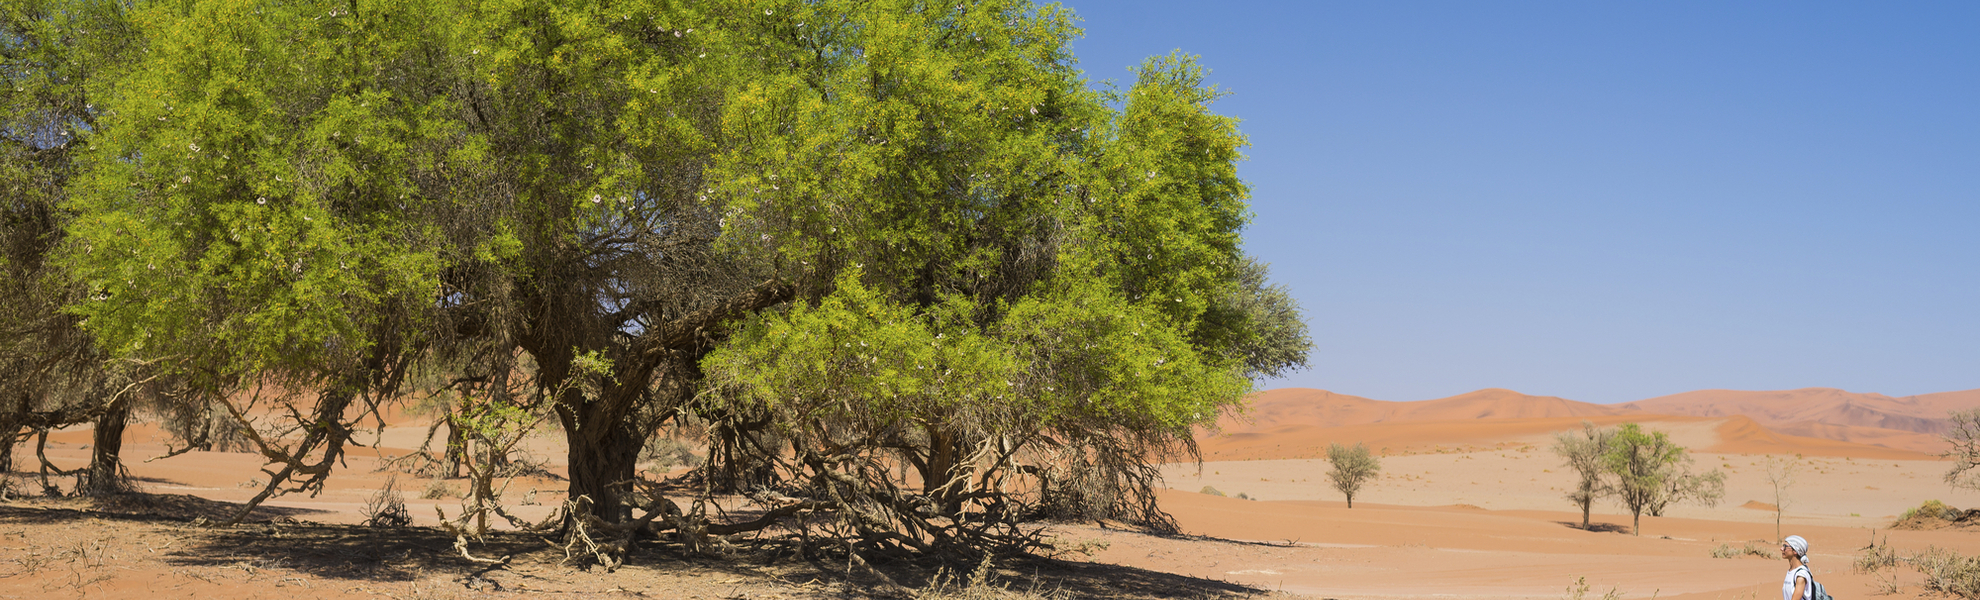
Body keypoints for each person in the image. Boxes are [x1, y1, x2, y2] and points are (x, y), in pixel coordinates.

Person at [1781, 535, 1812, 600]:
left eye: (1785, 547)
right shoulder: (1791, 571)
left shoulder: (1801, 574)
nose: (1781, 549)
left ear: (1795, 551)